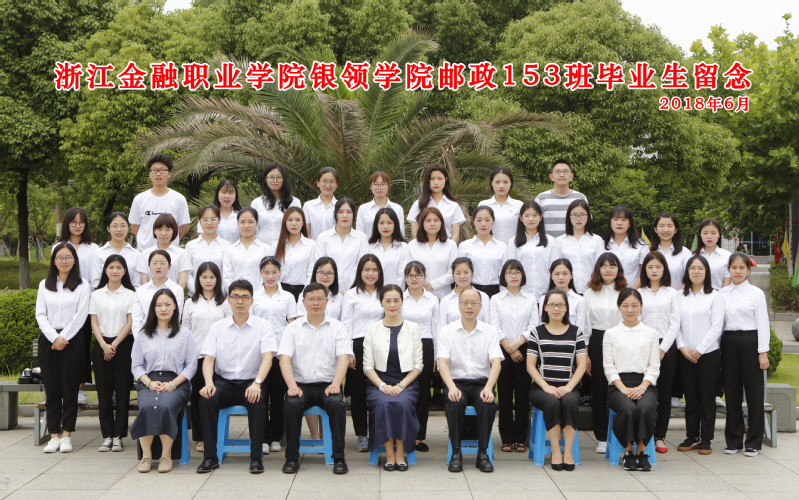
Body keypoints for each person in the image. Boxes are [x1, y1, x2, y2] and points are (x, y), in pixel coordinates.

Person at [197, 280, 277, 474]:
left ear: (252, 300)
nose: (240, 301)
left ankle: (256, 457)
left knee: (256, 399)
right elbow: (208, 359)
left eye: (244, 297)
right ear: (229, 300)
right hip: (224, 383)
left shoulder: (263, 326)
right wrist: (209, 383)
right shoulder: (218, 327)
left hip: (251, 382)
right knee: (207, 398)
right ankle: (210, 457)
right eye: (235, 297)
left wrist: (257, 383)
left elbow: (268, 358)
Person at [279, 283, 352, 475]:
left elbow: (344, 358)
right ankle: (291, 458)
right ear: (303, 302)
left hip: (328, 385)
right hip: (300, 385)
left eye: (320, 299)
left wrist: (336, 384)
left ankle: (339, 457)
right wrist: (291, 385)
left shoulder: (338, 327)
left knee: (336, 404)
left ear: (327, 301)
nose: (315, 303)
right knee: (292, 405)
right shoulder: (292, 328)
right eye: (311, 299)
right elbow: (284, 359)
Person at [130, 289, 196, 473]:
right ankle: (146, 456)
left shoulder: (185, 334)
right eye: (159, 305)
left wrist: (173, 384)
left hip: (177, 382)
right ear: (153, 308)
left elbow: (191, 366)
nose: (163, 309)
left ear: (175, 306)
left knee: (166, 406)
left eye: (168, 304)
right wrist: (148, 383)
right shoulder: (143, 335)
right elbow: (136, 366)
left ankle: (166, 456)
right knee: (146, 406)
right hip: (149, 381)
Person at [438, 288, 503, 473]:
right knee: (455, 401)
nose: (469, 306)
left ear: (480, 307)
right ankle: (456, 452)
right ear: (458, 306)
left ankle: (482, 453)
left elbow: (496, 363)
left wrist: (489, 388)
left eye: (474, 303)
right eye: (465, 302)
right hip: (456, 382)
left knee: (487, 402)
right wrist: (451, 387)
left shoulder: (490, 331)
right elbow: (442, 363)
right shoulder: (447, 331)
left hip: (481, 383)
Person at [35, 242, 91, 454]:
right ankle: (54, 436)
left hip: (72, 340)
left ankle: (67, 435)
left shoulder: (82, 285)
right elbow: (40, 314)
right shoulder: (44, 284)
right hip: (49, 340)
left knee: (70, 389)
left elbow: (81, 315)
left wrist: (63, 337)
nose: (64, 261)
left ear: (74, 260)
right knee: (52, 390)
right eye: (60, 257)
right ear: (54, 261)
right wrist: (54, 337)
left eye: (68, 257)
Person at [363, 285, 423, 470]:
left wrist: (401, 386)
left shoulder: (412, 328)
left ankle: (400, 452)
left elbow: (418, 365)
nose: (392, 304)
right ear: (381, 303)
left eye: (396, 300)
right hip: (378, 384)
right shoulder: (372, 328)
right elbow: (367, 366)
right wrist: (382, 386)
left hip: (406, 383)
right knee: (384, 404)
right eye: (387, 300)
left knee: (402, 403)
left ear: (402, 302)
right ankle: (390, 453)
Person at [527, 289, 587, 471]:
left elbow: (582, 365)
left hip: (569, 387)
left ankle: (568, 451)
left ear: (566, 308)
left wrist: (569, 387)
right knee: (552, 403)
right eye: (552, 304)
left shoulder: (576, 332)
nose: (556, 308)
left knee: (569, 403)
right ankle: (555, 451)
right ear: (545, 307)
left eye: (560, 304)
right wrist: (545, 386)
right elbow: (530, 366)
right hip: (541, 388)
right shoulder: (536, 332)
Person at [603, 288, 660, 471]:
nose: (630, 310)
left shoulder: (650, 333)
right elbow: (609, 366)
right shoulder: (611, 333)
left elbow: (654, 366)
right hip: (618, 385)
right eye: (625, 305)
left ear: (641, 306)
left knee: (645, 408)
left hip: (645, 384)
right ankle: (628, 452)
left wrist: (642, 387)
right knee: (628, 408)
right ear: (619, 307)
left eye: (634, 305)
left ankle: (641, 453)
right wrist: (623, 388)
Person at [719, 252, 770, 457]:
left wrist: (762, 352)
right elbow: (718, 324)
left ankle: (754, 442)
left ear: (748, 270)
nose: (738, 271)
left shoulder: (756, 293)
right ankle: (733, 441)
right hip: (728, 342)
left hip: (751, 341)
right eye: (734, 267)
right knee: (731, 393)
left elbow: (763, 323)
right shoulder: (721, 294)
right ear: (728, 270)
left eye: (742, 267)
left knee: (754, 394)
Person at [181, 262, 232, 453]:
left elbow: (229, 330)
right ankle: (200, 437)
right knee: (197, 397)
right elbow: (185, 331)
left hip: (219, 358)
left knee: (215, 396)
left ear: (218, 279)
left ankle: (216, 434)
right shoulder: (190, 303)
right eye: (204, 277)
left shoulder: (225, 303)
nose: (208, 280)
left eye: (212, 277)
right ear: (198, 279)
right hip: (197, 356)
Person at [676, 255, 724, 455]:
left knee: (707, 397)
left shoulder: (715, 296)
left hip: (708, 354)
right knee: (690, 397)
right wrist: (682, 348)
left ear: (707, 272)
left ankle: (706, 438)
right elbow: (675, 324)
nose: (696, 272)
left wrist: (700, 350)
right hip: (685, 354)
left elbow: (717, 327)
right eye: (692, 268)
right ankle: (692, 435)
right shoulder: (679, 296)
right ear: (687, 272)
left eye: (700, 268)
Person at [490, 259, 538, 453]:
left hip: (524, 349)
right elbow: (494, 325)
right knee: (504, 394)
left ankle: (520, 438)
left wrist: (517, 344)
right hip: (502, 350)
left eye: (517, 272)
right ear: (504, 276)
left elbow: (534, 326)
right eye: (510, 272)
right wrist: (508, 346)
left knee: (522, 395)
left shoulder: (530, 299)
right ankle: (506, 438)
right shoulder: (496, 299)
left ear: (522, 275)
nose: (514, 276)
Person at [252, 256, 298, 455]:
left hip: (280, 354)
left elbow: (292, 324)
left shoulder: (288, 297)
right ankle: (263, 437)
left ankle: (276, 437)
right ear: (260, 273)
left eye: (274, 272)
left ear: (280, 273)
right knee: (260, 396)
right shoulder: (254, 296)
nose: (270, 276)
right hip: (260, 354)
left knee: (279, 397)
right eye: (266, 272)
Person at [90, 255, 136, 452]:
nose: (115, 271)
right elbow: (93, 322)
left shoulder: (131, 294)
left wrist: (114, 345)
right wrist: (104, 345)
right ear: (105, 270)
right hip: (101, 345)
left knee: (123, 392)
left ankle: (118, 436)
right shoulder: (96, 294)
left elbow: (130, 322)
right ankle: (107, 435)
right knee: (104, 392)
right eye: (111, 267)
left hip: (123, 346)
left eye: (119, 267)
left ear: (124, 271)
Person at [638, 251, 681, 454]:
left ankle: (660, 436)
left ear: (664, 269)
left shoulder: (672, 293)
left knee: (664, 394)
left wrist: (662, 349)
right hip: (642, 345)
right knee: (644, 390)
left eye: (658, 267)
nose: (654, 271)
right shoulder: (638, 293)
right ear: (644, 270)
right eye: (650, 267)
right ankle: (642, 434)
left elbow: (675, 323)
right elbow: (635, 320)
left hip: (666, 346)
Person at [582, 252, 626, 454]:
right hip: (597, 339)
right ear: (598, 270)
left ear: (619, 269)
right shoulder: (590, 293)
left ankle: (621, 434)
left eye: (612, 266)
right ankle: (601, 437)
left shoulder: (625, 292)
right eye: (604, 266)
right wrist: (586, 353)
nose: (608, 270)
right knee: (599, 389)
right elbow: (585, 325)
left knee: (620, 385)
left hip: (621, 338)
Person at [341, 254, 385, 451]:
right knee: (358, 392)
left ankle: (378, 432)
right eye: (367, 269)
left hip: (382, 345)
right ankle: (362, 435)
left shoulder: (385, 292)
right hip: (358, 346)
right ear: (360, 271)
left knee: (378, 390)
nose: (370, 273)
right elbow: (346, 325)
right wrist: (349, 352)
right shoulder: (351, 295)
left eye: (375, 269)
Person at [58, 207, 99, 405]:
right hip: (63, 304)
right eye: (73, 222)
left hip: (85, 303)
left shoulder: (93, 248)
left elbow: (96, 278)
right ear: (67, 224)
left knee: (81, 347)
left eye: (81, 222)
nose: (77, 226)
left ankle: (80, 389)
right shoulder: (58, 246)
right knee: (64, 345)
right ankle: (62, 388)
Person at [400, 261, 439, 452]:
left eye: (418, 275)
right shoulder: (399, 298)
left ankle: (418, 437)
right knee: (404, 390)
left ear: (425, 277)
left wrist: (437, 356)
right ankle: (401, 435)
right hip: (403, 345)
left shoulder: (433, 300)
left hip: (426, 345)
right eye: (410, 275)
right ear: (405, 278)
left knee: (423, 393)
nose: (414, 279)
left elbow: (437, 328)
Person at [129, 154, 190, 250]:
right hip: (145, 252)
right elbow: (135, 226)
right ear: (150, 174)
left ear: (169, 174)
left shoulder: (179, 199)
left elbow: (184, 227)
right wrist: (145, 243)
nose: (158, 174)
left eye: (162, 170)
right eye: (154, 170)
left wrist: (169, 242)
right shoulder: (139, 199)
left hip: (170, 252)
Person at [315, 198, 368, 292]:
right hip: (328, 291)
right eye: (341, 212)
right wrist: (334, 292)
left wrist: (351, 292)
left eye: (349, 212)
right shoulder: (323, 238)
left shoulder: (361, 238)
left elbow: (362, 267)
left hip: (354, 291)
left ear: (354, 215)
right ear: (335, 214)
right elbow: (319, 267)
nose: (345, 215)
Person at [551, 200, 604, 294]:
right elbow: (557, 269)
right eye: (574, 215)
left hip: (592, 292)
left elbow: (600, 268)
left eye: (582, 214)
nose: (578, 219)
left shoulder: (597, 240)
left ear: (588, 216)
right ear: (569, 217)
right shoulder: (560, 241)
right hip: (567, 293)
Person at [407, 207, 457, 300]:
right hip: (418, 295)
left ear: (441, 223)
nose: (432, 224)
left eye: (436, 220)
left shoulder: (451, 245)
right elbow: (408, 271)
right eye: (428, 220)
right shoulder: (412, 245)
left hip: (444, 295)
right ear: (422, 223)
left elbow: (453, 273)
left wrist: (431, 285)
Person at [131, 250, 185, 336]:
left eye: (162, 263)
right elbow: (136, 320)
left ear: (169, 266)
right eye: (154, 263)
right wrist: (140, 339)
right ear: (149, 266)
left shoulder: (177, 290)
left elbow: (176, 317)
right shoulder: (141, 290)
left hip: (169, 335)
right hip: (145, 335)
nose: (158, 266)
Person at [408, 163, 466, 242]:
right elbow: (415, 235)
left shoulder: (453, 206)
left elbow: (455, 235)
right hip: (423, 247)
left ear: (445, 179)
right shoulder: (418, 204)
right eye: (432, 178)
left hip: (446, 246)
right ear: (427, 180)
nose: (436, 182)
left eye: (440, 178)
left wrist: (449, 248)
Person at [458, 206, 507, 298]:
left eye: (487, 220)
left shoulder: (502, 247)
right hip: (470, 291)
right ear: (474, 222)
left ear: (493, 222)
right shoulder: (464, 246)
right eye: (479, 220)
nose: (483, 224)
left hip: (495, 292)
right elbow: (460, 272)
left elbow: (504, 274)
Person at [270, 207, 318, 301]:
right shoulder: (276, 245)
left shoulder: (311, 245)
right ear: (285, 222)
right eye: (290, 220)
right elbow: (273, 271)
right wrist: (280, 292)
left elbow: (311, 272)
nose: (294, 223)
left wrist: (305, 293)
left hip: (304, 291)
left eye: (298, 220)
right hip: (281, 291)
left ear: (303, 222)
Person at [506, 201, 552, 299]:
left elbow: (554, 268)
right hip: (521, 295)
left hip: (545, 294)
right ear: (521, 218)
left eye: (535, 215)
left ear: (540, 217)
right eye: (527, 215)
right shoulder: (513, 242)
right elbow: (511, 269)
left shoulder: (550, 241)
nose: (531, 219)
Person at [185, 205, 232, 296]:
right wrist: (197, 291)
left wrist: (219, 292)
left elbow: (227, 274)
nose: (209, 223)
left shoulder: (227, 246)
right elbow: (187, 273)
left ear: (219, 221)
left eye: (213, 219)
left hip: (220, 296)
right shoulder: (191, 246)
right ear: (200, 222)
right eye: (205, 219)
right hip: (196, 296)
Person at [251, 162, 302, 246]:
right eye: (271, 177)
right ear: (266, 179)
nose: (275, 180)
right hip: (262, 249)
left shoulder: (294, 202)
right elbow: (253, 229)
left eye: (279, 177)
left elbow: (297, 227)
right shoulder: (256, 203)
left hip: (286, 249)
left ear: (284, 179)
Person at [534, 160, 588, 238]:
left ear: (571, 176)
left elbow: (586, 223)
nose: (562, 175)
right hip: (548, 244)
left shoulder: (581, 198)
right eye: (557, 171)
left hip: (573, 244)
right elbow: (535, 224)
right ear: (551, 177)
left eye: (566, 171)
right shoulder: (541, 198)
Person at [221, 208, 271, 292]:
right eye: (242, 222)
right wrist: (235, 295)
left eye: (251, 222)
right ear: (237, 223)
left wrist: (258, 295)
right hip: (235, 297)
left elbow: (267, 274)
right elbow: (227, 277)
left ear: (257, 223)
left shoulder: (265, 249)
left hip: (259, 296)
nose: (246, 226)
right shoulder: (229, 249)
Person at [137, 214, 192, 288]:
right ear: (154, 231)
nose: (163, 233)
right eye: (159, 229)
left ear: (174, 231)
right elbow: (144, 282)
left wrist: (172, 295)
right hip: (150, 294)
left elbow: (182, 283)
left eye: (168, 229)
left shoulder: (181, 253)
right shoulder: (146, 254)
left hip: (173, 294)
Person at [92, 212, 142, 289]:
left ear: (128, 228)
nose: (119, 229)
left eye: (123, 226)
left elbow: (137, 284)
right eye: (115, 226)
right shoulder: (98, 253)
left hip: (130, 295)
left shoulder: (136, 255)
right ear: (108, 229)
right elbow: (95, 283)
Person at [603, 205, 648, 288]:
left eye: (624, 220)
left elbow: (645, 273)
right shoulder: (601, 244)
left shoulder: (641, 245)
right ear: (610, 222)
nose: (619, 223)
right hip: (607, 292)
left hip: (634, 292)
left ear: (629, 223)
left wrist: (631, 292)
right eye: (615, 219)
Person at [438, 257, 490, 327]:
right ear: (453, 275)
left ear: (472, 273)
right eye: (458, 273)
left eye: (466, 272)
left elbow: (487, 324)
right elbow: (441, 327)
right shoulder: (446, 300)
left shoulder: (483, 297)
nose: (462, 276)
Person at [538, 259, 586, 334]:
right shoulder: (543, 299)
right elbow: (542, 324)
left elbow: (580, 329)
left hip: (571, 339)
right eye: (557, 274)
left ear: (571, 275)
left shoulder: (579, 300)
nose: (561, 277)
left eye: (565, 274)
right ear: (551, 276)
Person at [478, 167, 523, 246]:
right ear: (492, 183)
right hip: (491, 249)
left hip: (514, 248)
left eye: (505, 182)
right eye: (497, 182)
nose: (501, 186)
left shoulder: (518, 205)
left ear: (511, 183)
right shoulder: (483, 205)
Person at [356, 171, 406, 240]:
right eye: (375, 184)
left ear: (388, 186)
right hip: (368, 246)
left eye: (383, 184)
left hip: (392, 246)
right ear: (370, 186)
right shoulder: (363, 209)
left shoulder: (397, 209)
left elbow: (400, 233)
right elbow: (359, 234)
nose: (379, 188)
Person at [367, 207, 409, 287]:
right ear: (376, 225)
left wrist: (394, 292)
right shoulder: (369, 247)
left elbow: (402, 275)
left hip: (395, 292)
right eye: (381, 223)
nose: (385, 226)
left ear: (395, 224)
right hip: (372, 292)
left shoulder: (403, 248)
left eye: (389, 223)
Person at [650, 212, 692, 286]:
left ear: (676, 229)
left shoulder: (685, 253)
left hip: (678, 293)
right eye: (661, 226)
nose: (665, 230)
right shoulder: (648, 252)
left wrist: (677, 292)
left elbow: (690, 279)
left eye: (669, 226)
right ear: (655, 229)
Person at [296, 257, 344, 321]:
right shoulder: (304, 295)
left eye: (329, 273)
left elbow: (343, 321)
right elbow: (301, 320)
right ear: (314, 273)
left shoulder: (339, 297)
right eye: (321, 272)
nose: (325, 276)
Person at [694, 218, 732, 290]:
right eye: (705, 233)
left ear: (719, 234)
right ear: (700, 235)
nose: (709, 236)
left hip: (720, 294)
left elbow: (727, 283)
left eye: (713, 233)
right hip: (698, 295)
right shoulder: (692, 256)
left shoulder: (727, 256)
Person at [304, 167, 340, 240]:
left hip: (335, 246)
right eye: (324, 181)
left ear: (337, 184)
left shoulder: (340, 206)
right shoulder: (308, 206)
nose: (328, 185)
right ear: (318, 183)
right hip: (314, 246)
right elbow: (306, 234)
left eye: (332, 181)